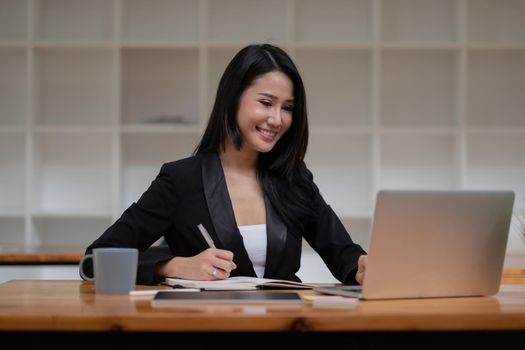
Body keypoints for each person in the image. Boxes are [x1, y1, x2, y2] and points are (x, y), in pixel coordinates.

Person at [80, 43, 368, 286]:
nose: (277, 119)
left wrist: (362, 267)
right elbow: (95, 261)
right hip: (211, 330)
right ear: (232, 99)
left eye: (288, 108)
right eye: (266, 103)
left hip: (285, 329)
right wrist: (171, 266)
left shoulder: (293, 179)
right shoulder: (182, 180)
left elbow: (343, 254)